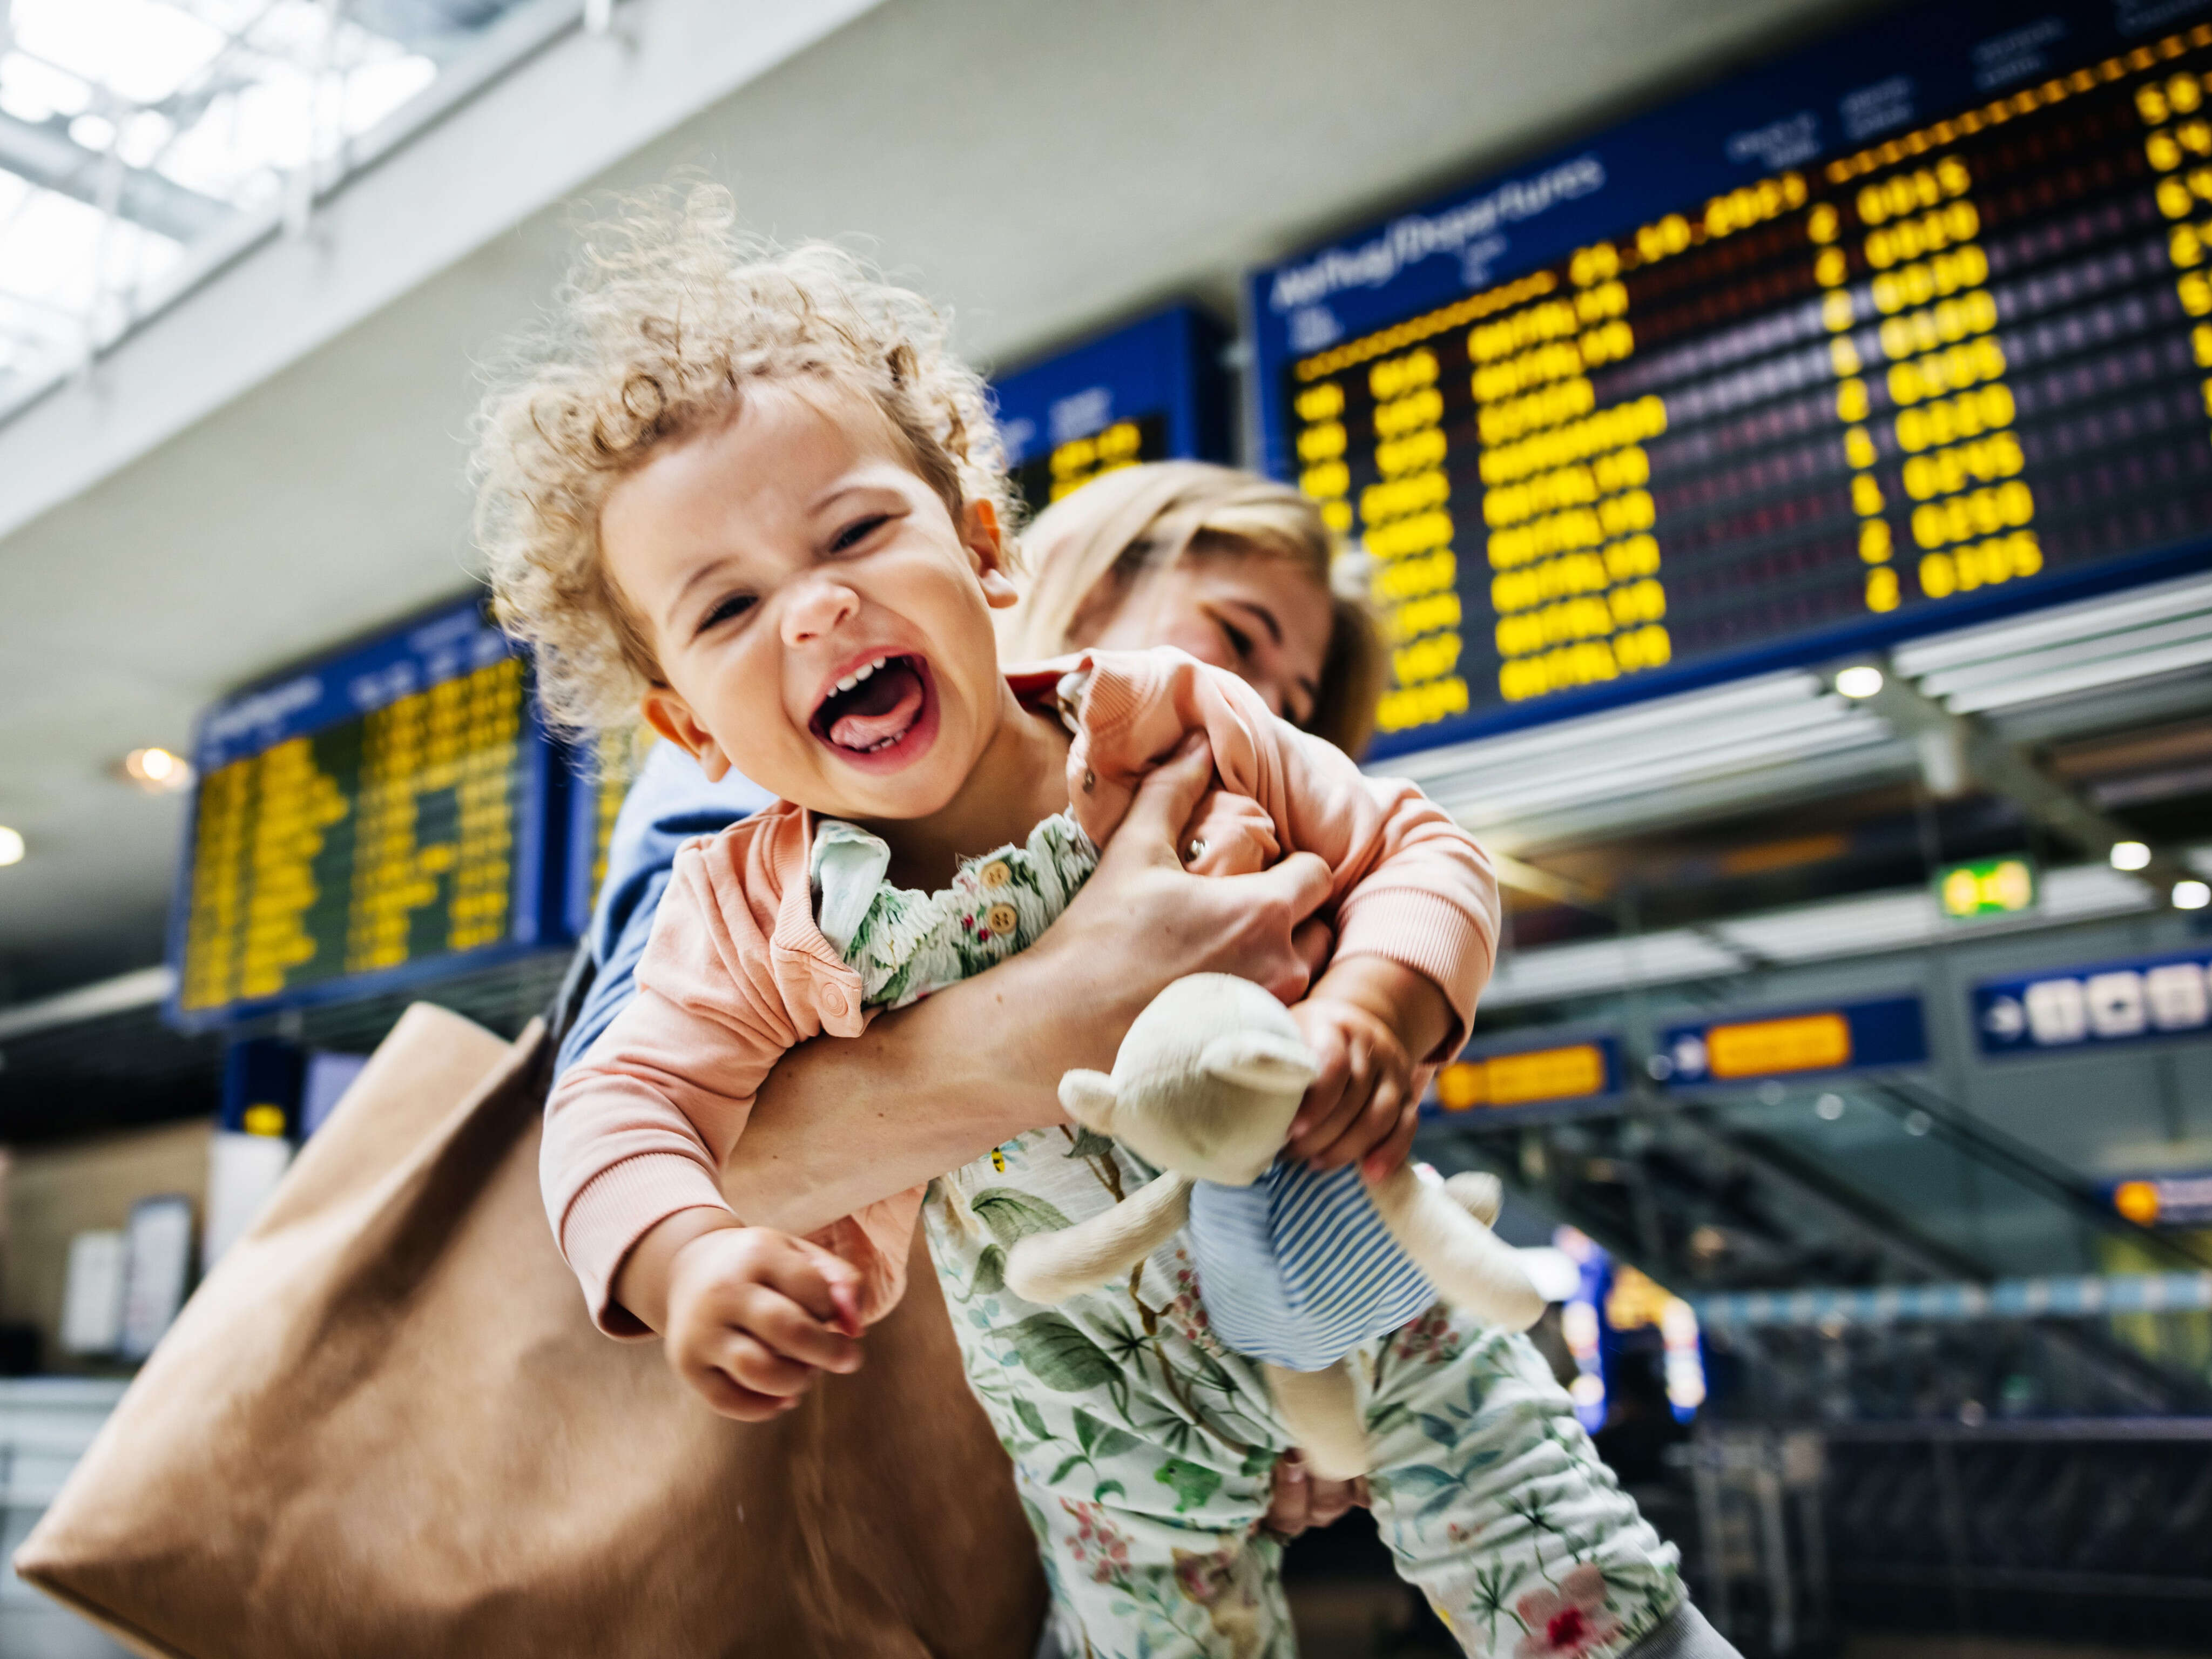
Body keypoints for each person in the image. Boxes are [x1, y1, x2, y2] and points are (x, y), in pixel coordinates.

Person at [477, 186, 1727, 1658]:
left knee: (1559, 1557)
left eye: (858, 534)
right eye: (729, 608)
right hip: (1084, 1426)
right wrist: (681, 1256)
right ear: (686, 724)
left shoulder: (1174, 727)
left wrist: (1379, 1005)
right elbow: (620, 1103)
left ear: (984, 549)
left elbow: (1415, 847)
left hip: (1350, 1286)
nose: (812, 611)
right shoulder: (746, 904)